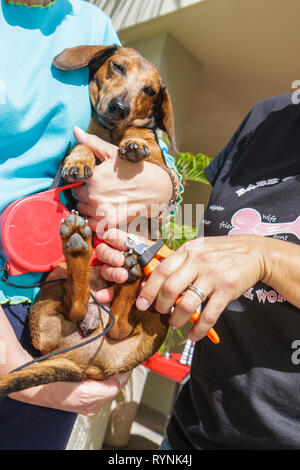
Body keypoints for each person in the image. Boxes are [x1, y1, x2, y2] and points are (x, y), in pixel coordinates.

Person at [0, 0, 181, 450]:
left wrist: (162, 184)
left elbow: (143, 140)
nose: (121, 99)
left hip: (56, 289)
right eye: (115, 75)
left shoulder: (90, 21)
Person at [97, 93, 300, 450]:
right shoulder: (269, 116)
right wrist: (161, 272)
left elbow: (249, 254)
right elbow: (221, 254)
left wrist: (265, 256)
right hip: (195, 430)